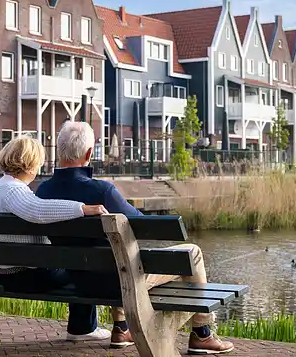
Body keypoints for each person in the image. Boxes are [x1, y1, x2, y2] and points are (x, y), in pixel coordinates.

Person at [37, 121, 234, 354]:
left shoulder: (43, 191)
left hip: (73, 281)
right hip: (118, 284)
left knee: (114, 257)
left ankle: (121, 327)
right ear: (89, 154)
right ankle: (202, 332)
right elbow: (142, 225)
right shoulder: (102, 191)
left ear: (59, 151)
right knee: (193, 253)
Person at [0, 135, 112, 342]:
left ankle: (82, 327)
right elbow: (37, 210)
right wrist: (82, 208)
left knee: (75, 263)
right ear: (31, 165)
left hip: (3, 272)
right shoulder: (12, 190)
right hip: (23, 277)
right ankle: (82, 328)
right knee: (83, 265)